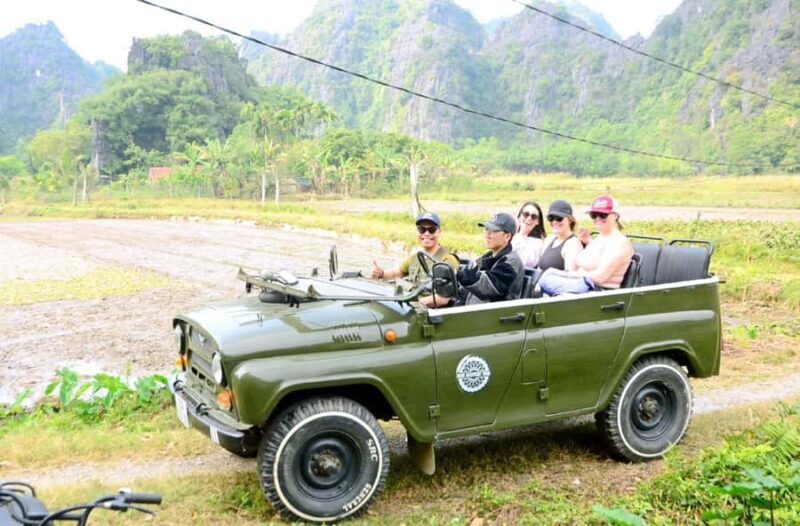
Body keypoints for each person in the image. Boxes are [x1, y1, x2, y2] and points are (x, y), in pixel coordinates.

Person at [420, 212, 523, 307]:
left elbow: (487, 286)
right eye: (486, 230)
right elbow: (465, 292)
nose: (487, 235)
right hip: (476, 315)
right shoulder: (487, 259)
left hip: (495, 320)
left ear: (507, 236)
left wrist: (457, 273)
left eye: (493, 231)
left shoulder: (511, 262)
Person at [538, 195, 633, 295]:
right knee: (544, 279)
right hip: (582, 284)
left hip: (599, 291)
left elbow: (601, 277)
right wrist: (588, 241)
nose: (597, 218)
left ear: (615, 216)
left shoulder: (620, 242)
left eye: (603, 215)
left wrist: (567, 274)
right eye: (594, 215)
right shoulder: (599, 239)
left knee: (545, 280)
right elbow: (599, 254)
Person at [371, 212, 459, 284]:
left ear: (439, 232)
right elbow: (396, 273)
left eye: (432, 229)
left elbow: (444, 298)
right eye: (422, 229)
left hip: (430, 305)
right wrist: (381, 273)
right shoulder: (415, 258)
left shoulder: (448, 260)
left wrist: (421, 302)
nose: (427, 234)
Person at [537, 200, 583, 272]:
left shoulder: (573, 244)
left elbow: (571, 276)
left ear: (570, 220)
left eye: (559, 218)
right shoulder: (549, 239)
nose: (554, 222)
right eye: (551, 218)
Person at [512, 201, 546, 270]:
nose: (529, 218)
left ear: (537, 222)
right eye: (526, 214)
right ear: (519, 217)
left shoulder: (538, 244)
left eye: (534, 217)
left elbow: (525, 262)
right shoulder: (509, 236)